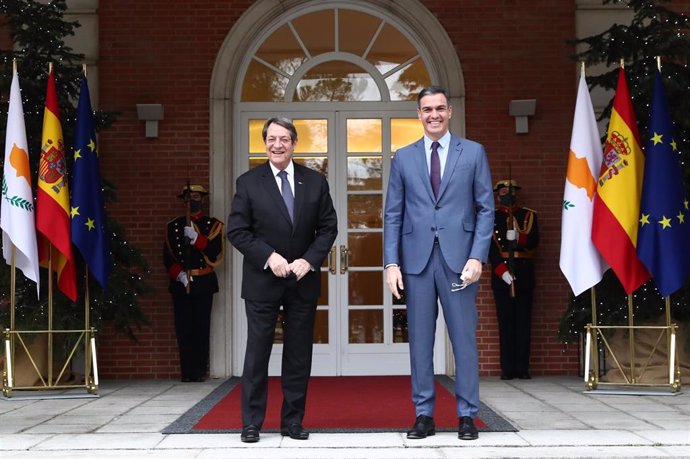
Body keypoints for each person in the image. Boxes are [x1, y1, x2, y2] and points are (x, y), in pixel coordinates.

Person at [383, 86, 494, 441]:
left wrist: (478, 256)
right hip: (415, 262)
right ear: (418, 114)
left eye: (440, 108)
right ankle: (424, 415)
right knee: (419, 341)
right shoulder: (403, 157)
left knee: (463, 340)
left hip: (460, 260)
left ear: (449, 112)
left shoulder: (473, 153)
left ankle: (466, 415)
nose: (434, 115)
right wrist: (390, 263)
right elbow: (393, 215)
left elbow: (485, 208)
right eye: (427, 109)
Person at [227, 117, 338, 443]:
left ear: (294, 143)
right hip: (263, 280)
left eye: (284, 139)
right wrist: (268, 257)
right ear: (265, 143)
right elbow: (237, 230)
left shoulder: (315, 182)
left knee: (298, 355)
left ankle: (293, 421)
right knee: (257, 353)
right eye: (272, 139)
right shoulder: (248, 182)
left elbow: (329, 228)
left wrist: (309, 260)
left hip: (302, 281)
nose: (277, 144)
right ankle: (251, 423)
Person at [163, 184, 225, 383]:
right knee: (183, 328)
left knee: (201, 327)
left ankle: (199, 371)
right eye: (188, 197)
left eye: (196, 196)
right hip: (182, 282)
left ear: (203, 200)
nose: (192, 201)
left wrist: (197, 239)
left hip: (203, 282)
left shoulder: (212, 225)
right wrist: (179, 274)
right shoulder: (174, 225)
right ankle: (186, 372)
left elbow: (215, 250)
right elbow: (167, 256)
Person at [488, 179, 539, 380]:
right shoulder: (491, 218)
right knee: (505, 322)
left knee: (523, 322)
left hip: (524, 271)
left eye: (509, 191)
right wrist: (501, 271)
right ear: (497, 194)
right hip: (502, 273)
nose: (505, 194)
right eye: (502, 191)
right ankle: (507, 368)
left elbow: (535, 240)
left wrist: (518, 238)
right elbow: (489, 248)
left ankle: (522, 368)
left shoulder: (528, 215)